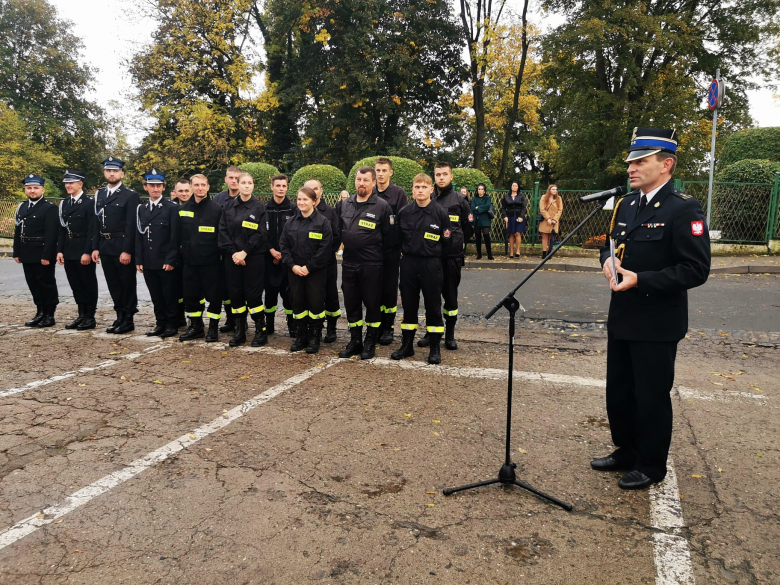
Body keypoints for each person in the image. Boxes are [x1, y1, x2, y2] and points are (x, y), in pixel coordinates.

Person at [592, 127, 711, 490]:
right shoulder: (627, 204)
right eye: (631, 162)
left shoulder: (683, 208)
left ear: (666, 164)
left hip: (657, 322)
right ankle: (627, 450)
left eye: (640, 161)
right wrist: (607, 262)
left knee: (651, 396)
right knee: (620, 392)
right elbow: (610, 245)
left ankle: (651, 463)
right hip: (623, 315)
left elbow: (695, 269)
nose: (631, 168)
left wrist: (641, 279)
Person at [391, 174, 452, 364]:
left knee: (433, 306)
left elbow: (447, 243)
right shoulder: (405, 212)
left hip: (431, 264)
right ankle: (407, 346)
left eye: (424, 187)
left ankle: (434, 348)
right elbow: (398, 238)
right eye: (417, 187)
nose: (420, 190)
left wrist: (433, 257)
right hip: (409, 263)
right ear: (412, 189)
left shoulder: (440, 213)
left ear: (431, 189)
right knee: (409, 306)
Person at [337, 166, 393, 359]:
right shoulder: (345, 204)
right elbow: (338, 232)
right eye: (358, 180)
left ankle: (370, 342)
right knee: (351, 303)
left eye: (365, 180)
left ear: (373, 182)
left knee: (372, 303)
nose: (361, 183)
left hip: (372, 264)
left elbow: (389, 239)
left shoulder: (382, 206)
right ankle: (355, 341)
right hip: (349, 263)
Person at [419, 162, 473, 351]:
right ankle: (431, 332)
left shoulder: (460, 199)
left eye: (444, 174)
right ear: (434, 178)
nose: (441, 178)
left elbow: (468, 227)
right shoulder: (429, 198)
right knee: (431, 296)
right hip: (432, 257)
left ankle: (449, 335)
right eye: (438, 175)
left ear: (451, 177)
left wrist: (456, 242)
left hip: (451, 257)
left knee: (450, 296)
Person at [279, 187, 333, 354]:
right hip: (294, 271)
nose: (301, 203)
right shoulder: (291, 222)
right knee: (298, 303)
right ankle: (301, 337)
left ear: (314, 202)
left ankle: (314, 337)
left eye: (305, 200)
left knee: (315, 303)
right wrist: (293, 266)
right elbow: (284, 245)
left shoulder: (322, 222)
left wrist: (309, 267)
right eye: (299, 199)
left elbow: (325, 249)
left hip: (315, 272)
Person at [218, 172, 269, 347]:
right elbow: (223, 231)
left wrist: (245, 252)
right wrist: (235, 253)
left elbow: (260, 234)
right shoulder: (228, 207)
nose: (247, 186)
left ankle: (260, 331)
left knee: (253, 295)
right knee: (236, 295)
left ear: (253, 186)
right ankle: (239, 331)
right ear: (237, 185)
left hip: (253, 258)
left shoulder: (259, 208)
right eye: (243, 183)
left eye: (250, 183)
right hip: (232, 258)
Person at [91, 157, 141, 334]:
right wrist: (95, 247)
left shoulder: (130, 195)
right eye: (108, 170)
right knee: (113, 284)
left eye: (115, 170)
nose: (111, 173)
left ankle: (128, 318)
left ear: (122, 173)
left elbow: (131, 225)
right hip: (105, 245)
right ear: (104, 173)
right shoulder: (100, 194)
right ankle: (119, 316)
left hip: (122, 246)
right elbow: (96, 223)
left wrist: (127, 250)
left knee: (126, 283)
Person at [135, 170, 181, 338]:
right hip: (148, 260)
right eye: (152, 185)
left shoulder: (171, 208)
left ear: (163, 187)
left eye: (159, 186)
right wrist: (139, 258)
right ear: (146, 187)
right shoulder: (142, 208)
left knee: (169, 295)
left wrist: (171, 259)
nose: (155, 189)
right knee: (155, 295)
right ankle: (160, 323)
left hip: (165, 260)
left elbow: (175, 237)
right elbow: (139, 235)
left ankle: (171, 324)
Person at [178, 174, 223, 342]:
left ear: (208, 187)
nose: (200, 188)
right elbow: (177, 236)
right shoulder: (182, 210)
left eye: (203, 185)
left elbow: (222, 236)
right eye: (196, 185)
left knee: (214, 296)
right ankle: (196, 327)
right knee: (191, 296)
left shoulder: (217, 209)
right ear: (191, 187)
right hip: (189, 262)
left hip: (211, 263)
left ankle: (213, 328)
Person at [13, 174, 60, 327]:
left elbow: (52, 234)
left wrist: (47, 254)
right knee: (33, 283)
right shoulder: (22, 207)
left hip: (42, 252)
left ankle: (49, 314)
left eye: (35, 188)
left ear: (42, 190)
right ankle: (40, 312)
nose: (32, 191)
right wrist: (17, 251)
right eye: (29, 188)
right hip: (27, 251)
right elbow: (18, 231)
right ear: (25, 190)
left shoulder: (50, 208)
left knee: (46, 283)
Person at [373, 157, 409, 345]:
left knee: (388, 289)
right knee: (374, 289)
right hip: (372, 251)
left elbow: (403, 221)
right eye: (377, 170)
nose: (380, 174)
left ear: (390, 172)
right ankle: (376, 325)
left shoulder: (398, 194)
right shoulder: (370, 193)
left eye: (384, 170)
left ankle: (388, 327)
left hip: (391, 251)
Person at [56, 170, 98, 330]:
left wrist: (88, 251)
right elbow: (62, 229)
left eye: (71, 182)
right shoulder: (65, 203)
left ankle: (90, 317)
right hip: (69, 247)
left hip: (82, 247)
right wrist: (60, 250)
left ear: (80, 184)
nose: (68, 185)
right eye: (66, 183)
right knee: (75, 284)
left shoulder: (89, 202)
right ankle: (81, 315)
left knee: (88, 283)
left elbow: (92, 229)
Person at [305, 179, 342, 343]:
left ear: (321, 191)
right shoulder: (300, 211)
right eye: (308, 189)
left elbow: (336, 236)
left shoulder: (329, 212)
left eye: (315, 189)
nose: (312, 191)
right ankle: (313, 328)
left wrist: (323, 256)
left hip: (326, 263)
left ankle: (332, 328)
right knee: (311, 297)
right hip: (308, 265)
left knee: (330, 295)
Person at [265, 174, 296, 338]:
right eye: (278, 186)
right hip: (269, 260)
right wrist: (271, 250)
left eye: (284, 186)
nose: (281, 189)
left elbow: (296, 235)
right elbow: (261, 234)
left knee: (288, 296)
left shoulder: (293, 209)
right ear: (272, 187)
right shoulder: (264, 209)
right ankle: (268, 325)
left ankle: (292, 325)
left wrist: (284, 254)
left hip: (287, 260)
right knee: (269, 296)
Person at [213, 166, 243, 334]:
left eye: (237, 178)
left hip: (241, 252)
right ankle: (231, 319)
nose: (233, 181)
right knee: (225, 288)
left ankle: (241, 321)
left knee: (240, 288)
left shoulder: (246, 199)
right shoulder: (218, 199)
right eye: (230, 177)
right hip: (223, 250)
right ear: (226, 179)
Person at [170, 178, 192, 327]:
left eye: (186, 191)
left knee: (192, 289)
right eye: (181, 191)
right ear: (175, 192)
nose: (184, 194)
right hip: (175, 255)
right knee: (176, 287)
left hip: (192, 255)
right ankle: (179, 317)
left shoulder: (197, 207)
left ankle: (194, 320)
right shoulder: (170, 208)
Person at [502, 181, 527, 258]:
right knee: (511, 234)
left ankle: (518, 251)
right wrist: (505, 216)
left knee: (517, 233)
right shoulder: (506, 196)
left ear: (518, 187)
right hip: (510, 216)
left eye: (516, 186)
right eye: (513, 186)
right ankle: (511, 251)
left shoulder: (521, 196)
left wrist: (521, 216)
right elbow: (503, 208)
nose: (514, 187)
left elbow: (524, 207)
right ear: (511, 187)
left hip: (519, 216)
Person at [470, 183, 494, 260]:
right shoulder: (474, 199)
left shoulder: (487, 197)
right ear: (477, 190)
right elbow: (473, 208)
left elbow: (487, 206)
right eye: (479, 189)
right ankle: (479, 254)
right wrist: (479, 209)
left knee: (486, 236)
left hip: (485, 219)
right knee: (478, 237)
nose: (480, 191)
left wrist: (478, 208)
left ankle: (489, 254)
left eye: (482, 189)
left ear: (484, 190)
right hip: (477, 220)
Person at [539, 185, 562, 259]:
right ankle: (544, 253)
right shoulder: (544, 197)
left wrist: (555, 219)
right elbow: (542, 209)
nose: (555, 190)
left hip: (554, 221)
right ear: (549, 190)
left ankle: (549, 252)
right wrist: (548, 218)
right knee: (545, 236)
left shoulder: (558, 198)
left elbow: (560, 210)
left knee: (551, 237)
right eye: (553, 189)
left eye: (556, 189)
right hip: (546, 220)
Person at [336, 190, 350, 258]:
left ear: (347, 195)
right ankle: (340, 249)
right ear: (340, 195)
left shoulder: (350, 203)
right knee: (340, 235)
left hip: (348, 221)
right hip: (339, 221)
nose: (344, 194)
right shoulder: (338, 203)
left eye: (345, 193)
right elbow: (336, 213)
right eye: (342, 193)